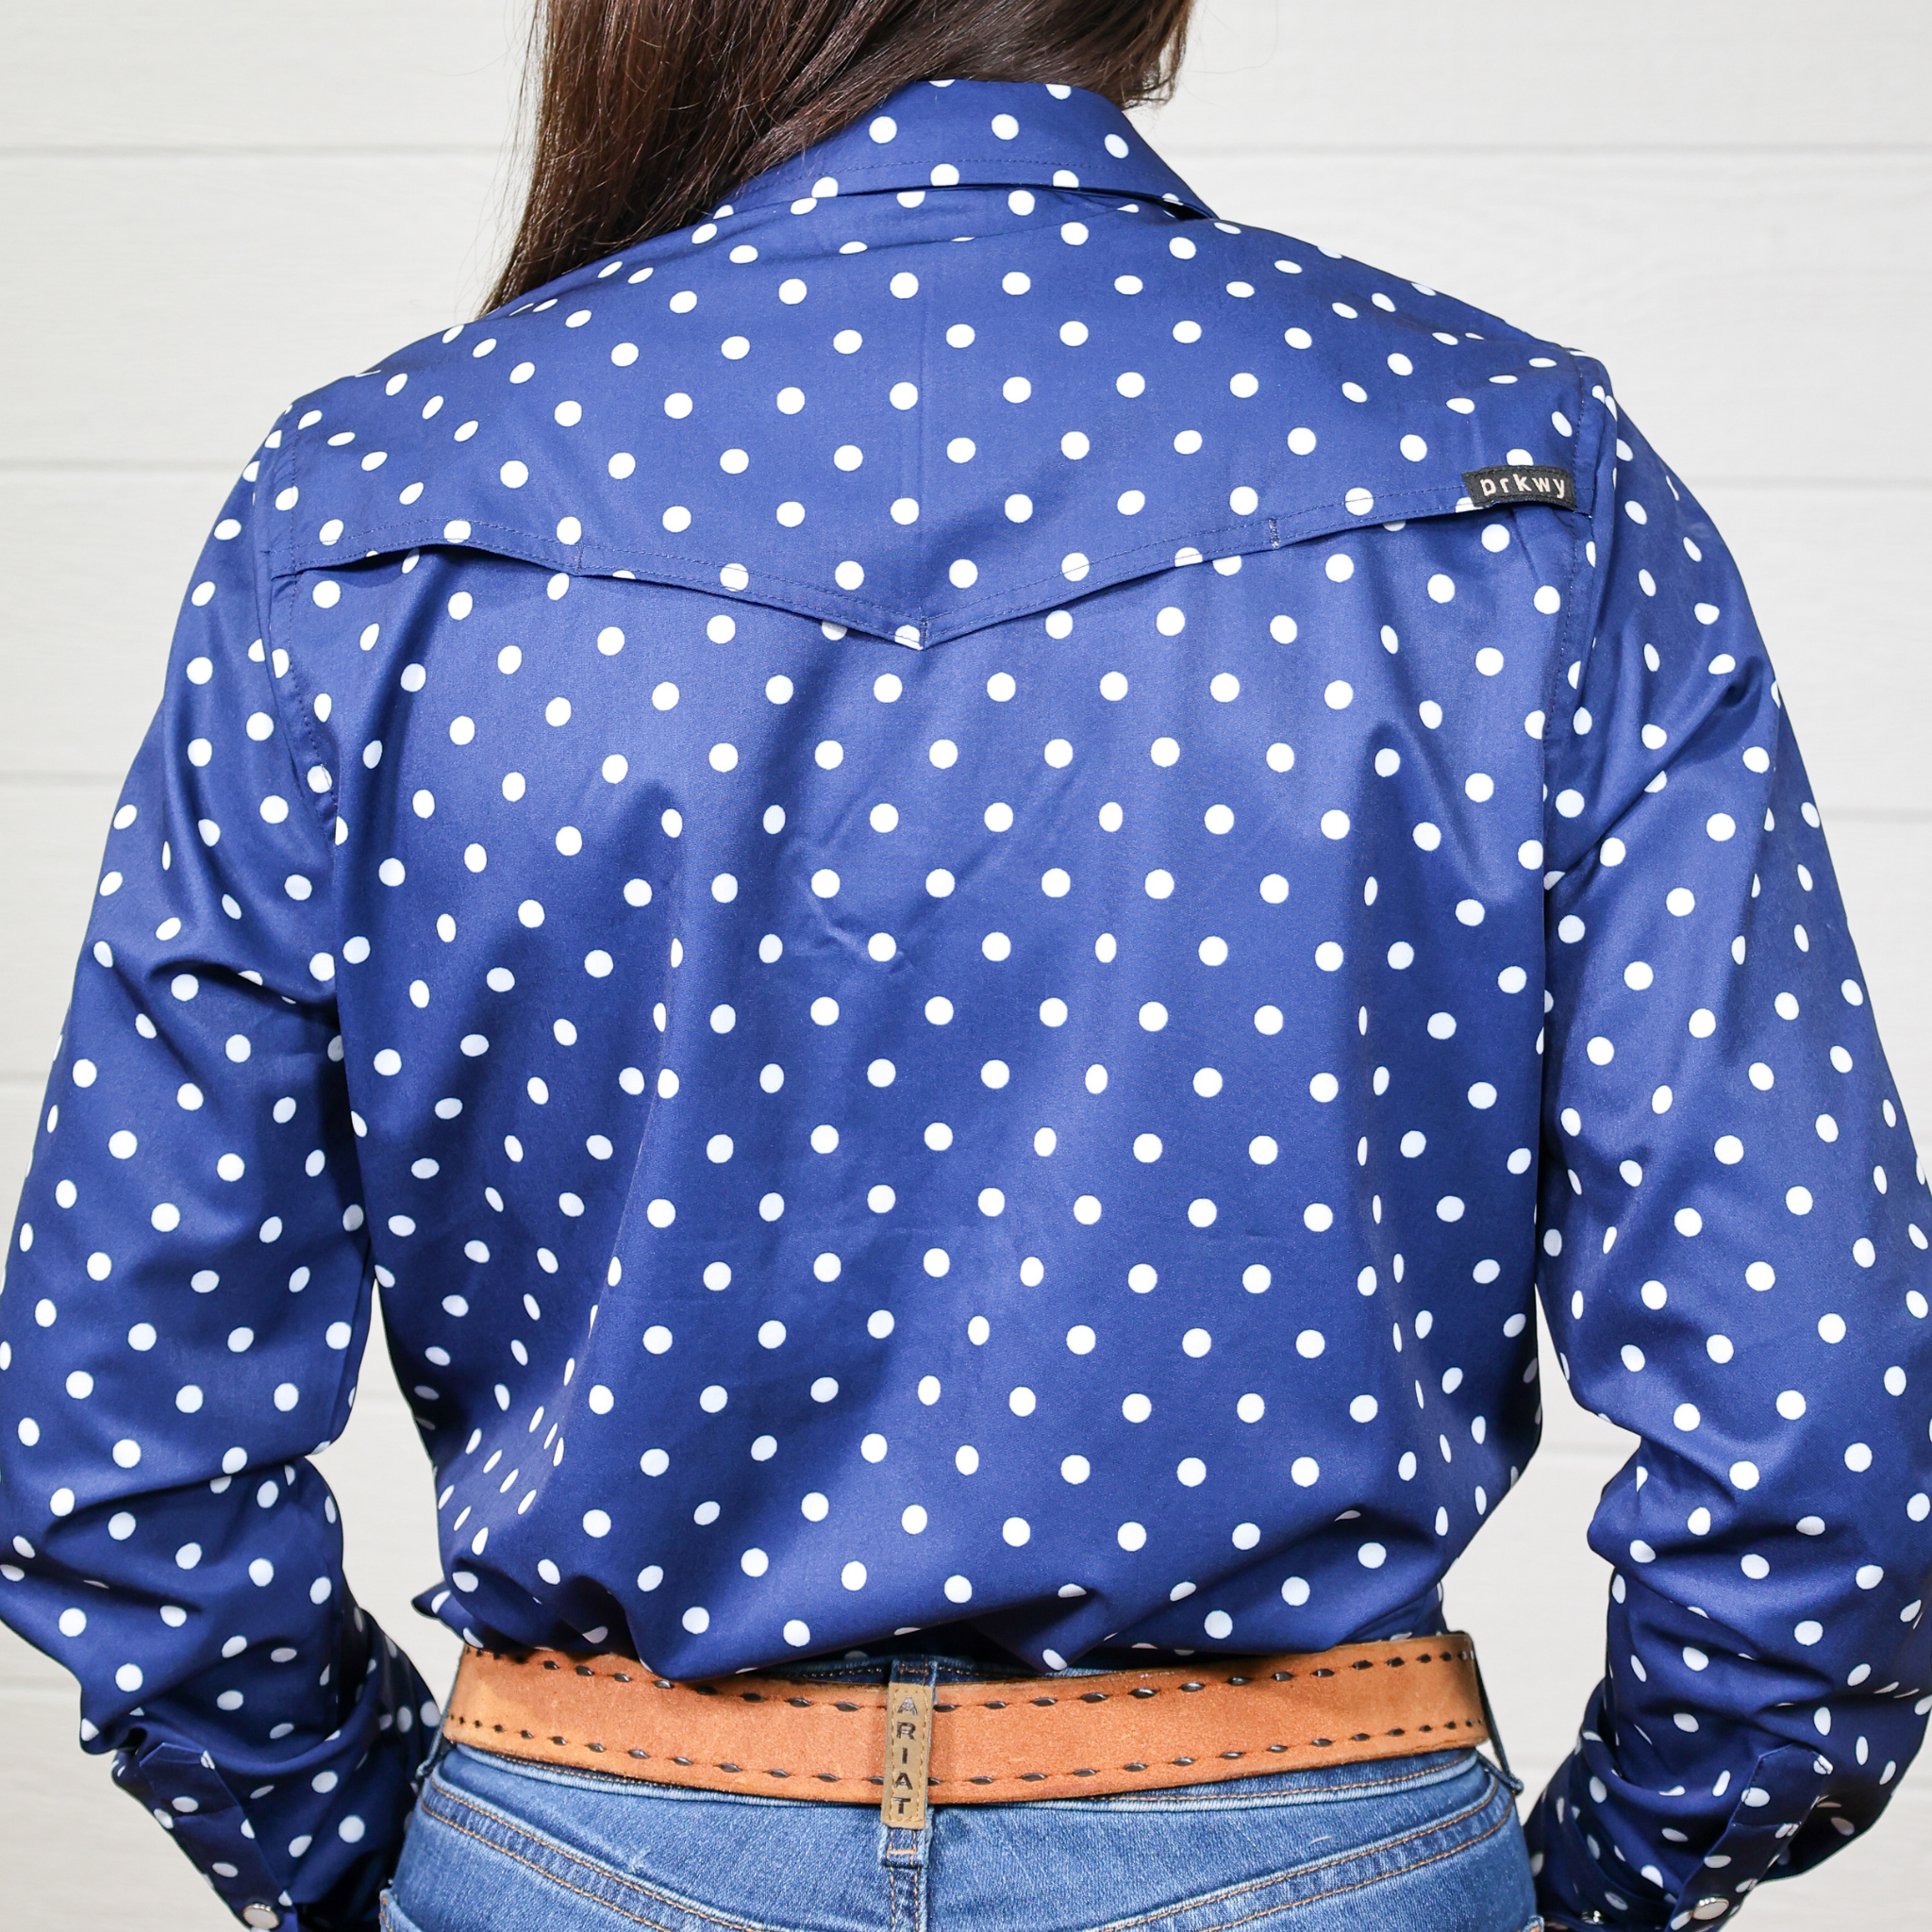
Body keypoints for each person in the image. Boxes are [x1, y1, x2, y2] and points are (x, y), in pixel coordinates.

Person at [2, 2, 1928, 1926]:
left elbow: (118, 1444)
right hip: (1314, 1846)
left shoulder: (364, 505)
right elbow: (1817, 1438)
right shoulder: (1507, 468)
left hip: (586, 1843)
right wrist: (1584, 1885)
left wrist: (395, 1866)